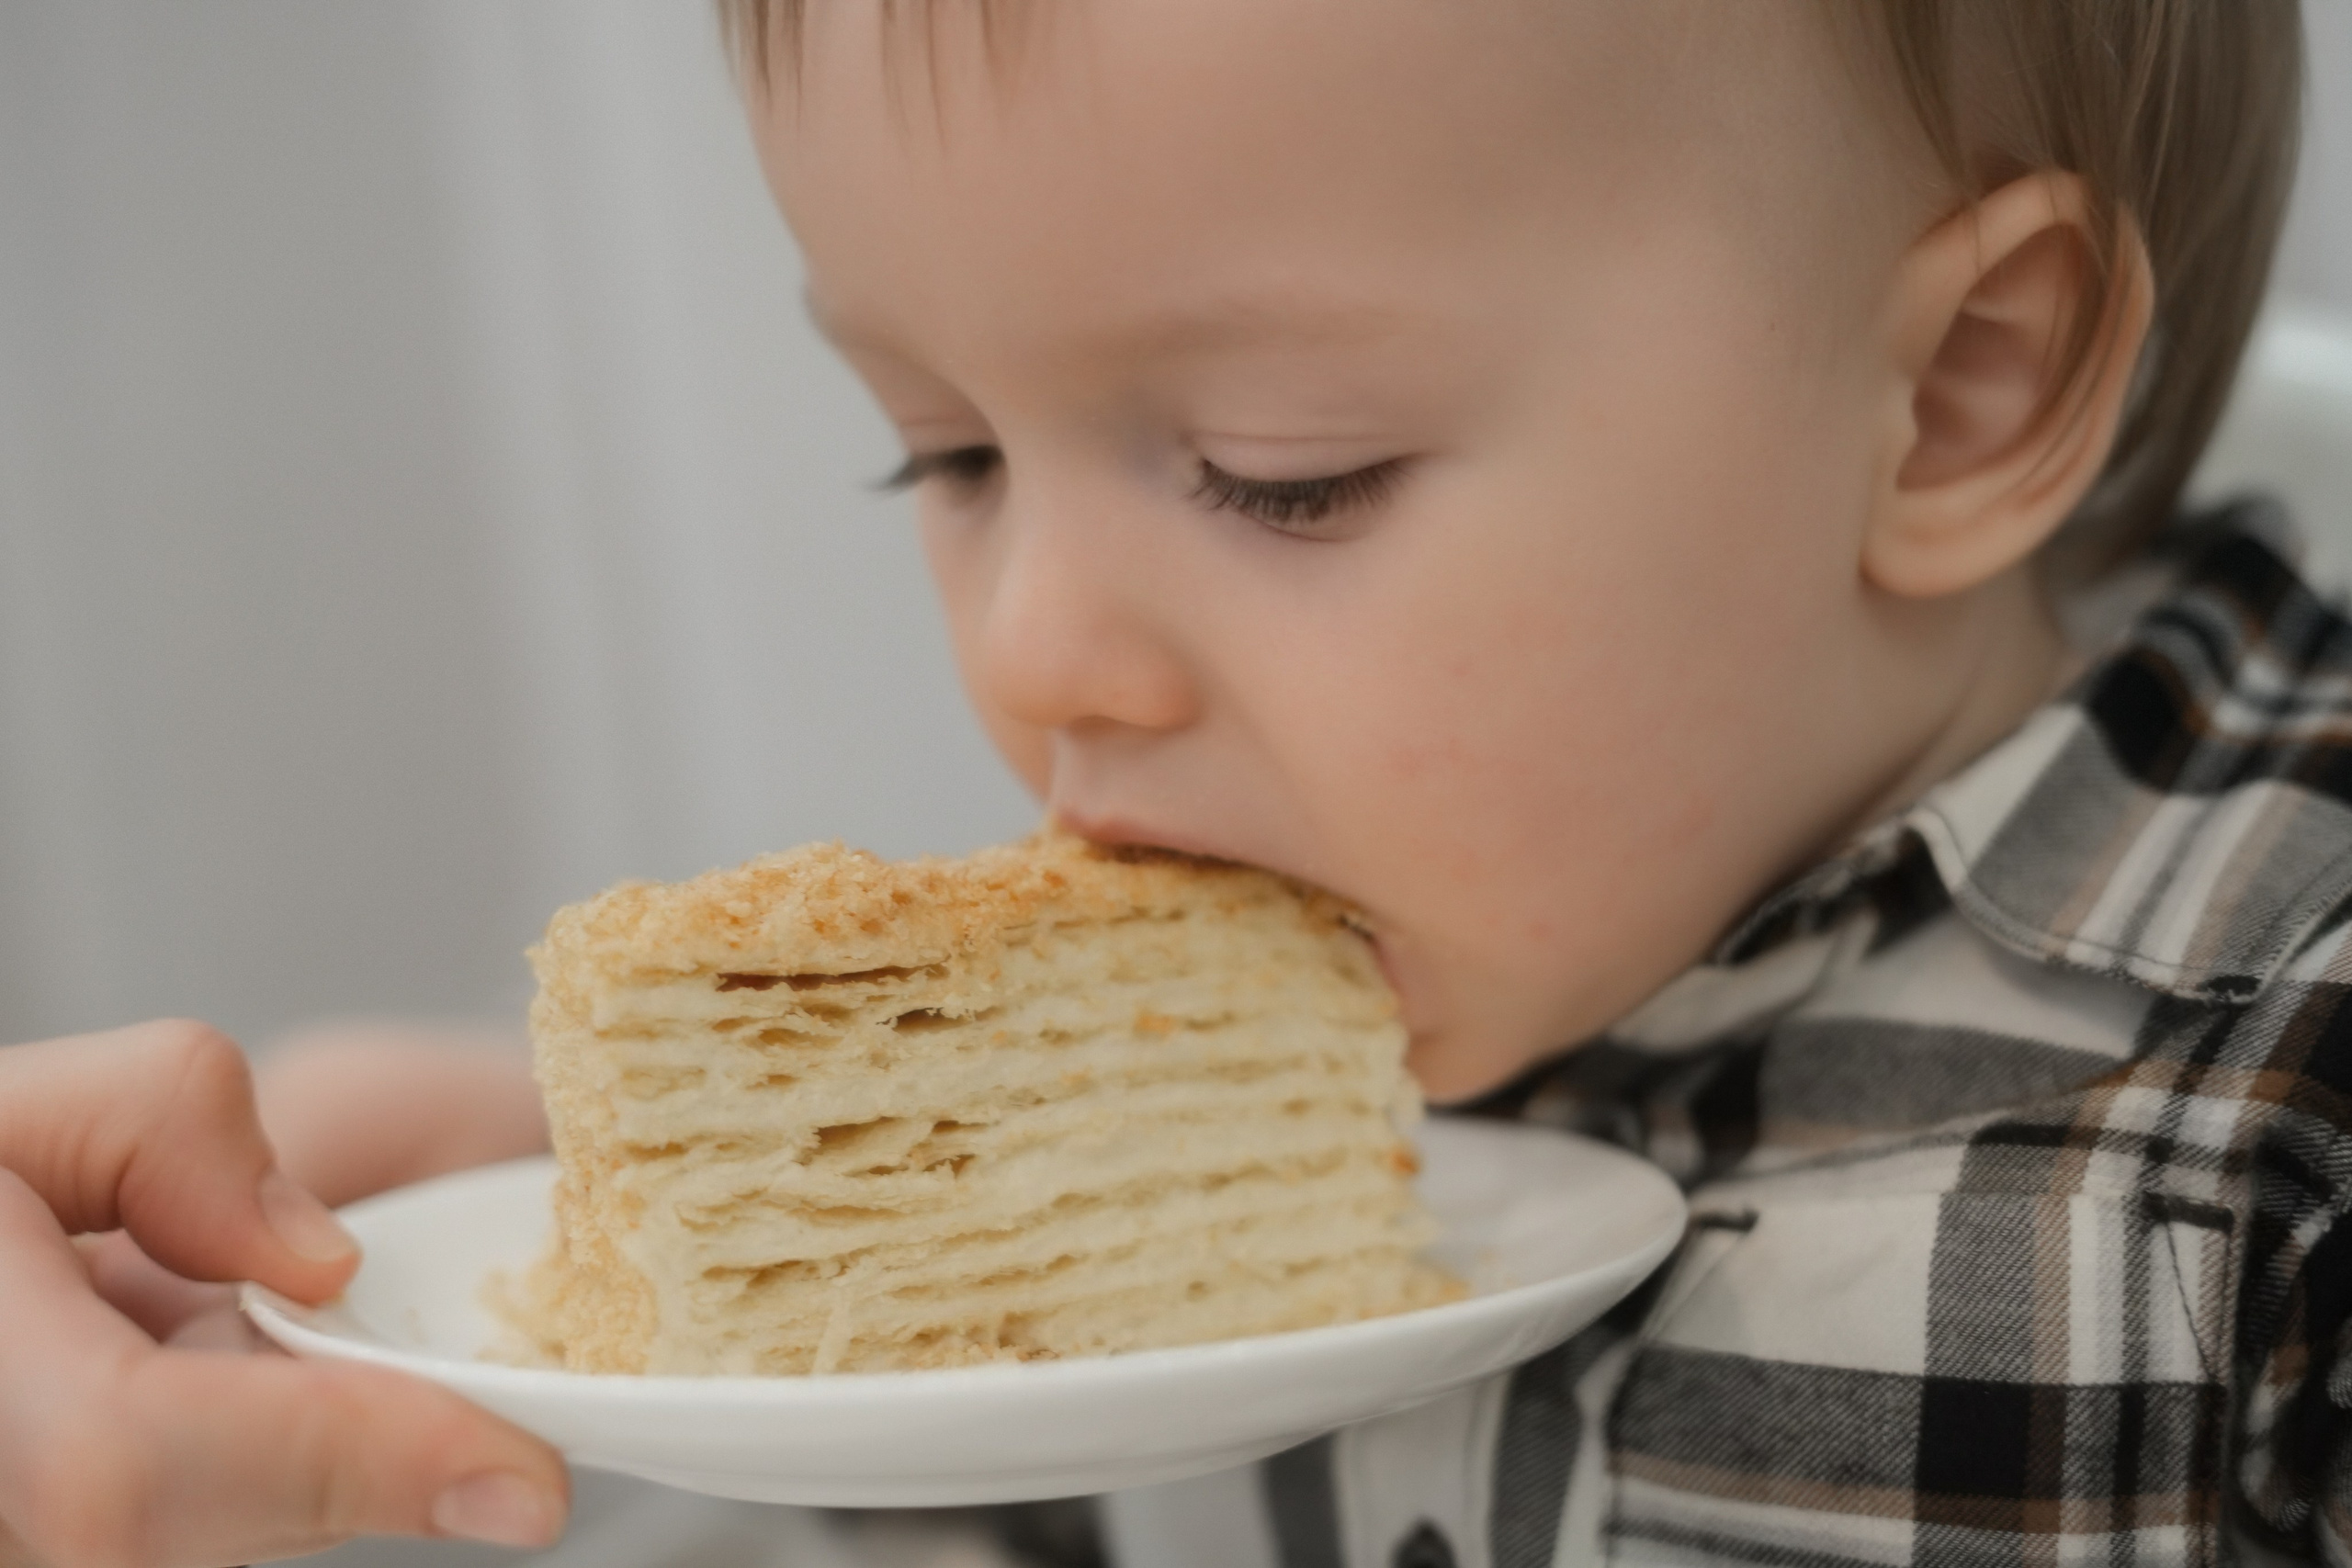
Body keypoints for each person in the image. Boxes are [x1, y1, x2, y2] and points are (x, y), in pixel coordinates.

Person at [0, 1, 2330, 1562]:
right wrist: (571, 1304)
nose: (1031, 657)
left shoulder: (2286, 1094)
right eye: (942, 447)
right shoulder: (1108, 1109)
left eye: (1276, 473)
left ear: (1955, 390)